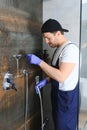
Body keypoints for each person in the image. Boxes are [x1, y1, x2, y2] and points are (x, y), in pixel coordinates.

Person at [26, 19, 79, 130]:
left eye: (48, 38)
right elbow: (57, 72)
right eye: (45, 38)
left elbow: (61, 76)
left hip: (66, 100)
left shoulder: (70, 50)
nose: (46, 41)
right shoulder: (59, 49)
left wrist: (40, 62)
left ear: (58, 33)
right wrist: (47, 80)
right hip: (58, 97)